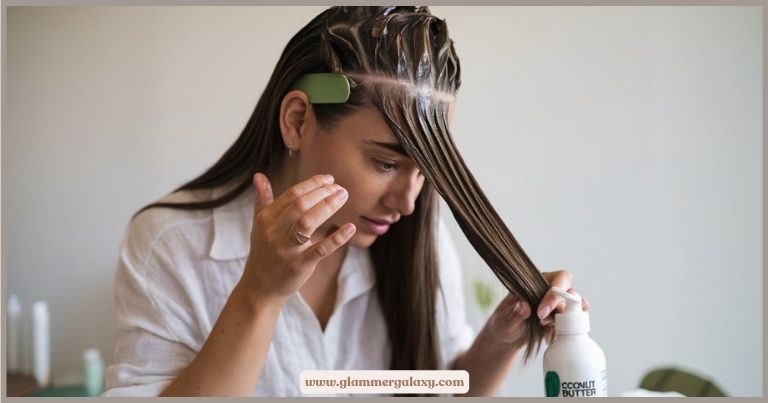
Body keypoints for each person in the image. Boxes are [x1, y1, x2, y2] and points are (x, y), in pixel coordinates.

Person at [104, 6, 589, 397]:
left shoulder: (420, 241)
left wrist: (501, 340)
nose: (407, 203)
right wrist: (258, 296)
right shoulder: (170, 244)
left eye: (425, 172)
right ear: (297, 121)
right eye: (385, 162)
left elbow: (442, 388)